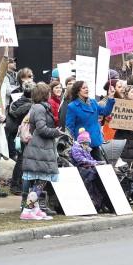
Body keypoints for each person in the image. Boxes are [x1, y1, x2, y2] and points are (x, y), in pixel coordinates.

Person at [19, 83, 61, 221]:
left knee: (40, 181)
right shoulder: (40, 108)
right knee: (41, 181)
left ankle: (35, 210)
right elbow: (41, 128)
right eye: (48, 92)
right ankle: (27, 209)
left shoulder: (38, 107)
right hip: (40, 149)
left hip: (40, 148)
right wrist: (56, 132)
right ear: (44, 94)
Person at [65, 81, 116, 162]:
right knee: (86, 170)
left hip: (95, 142)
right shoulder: (72, 106)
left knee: (100, 167)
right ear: (78, 91)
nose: (86, 89)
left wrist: (110, 97)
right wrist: (71, 143)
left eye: (87, 87)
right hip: (82, 144)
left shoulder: (93, 102)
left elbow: (105, 112)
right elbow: (69, 127)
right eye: (83, 88)